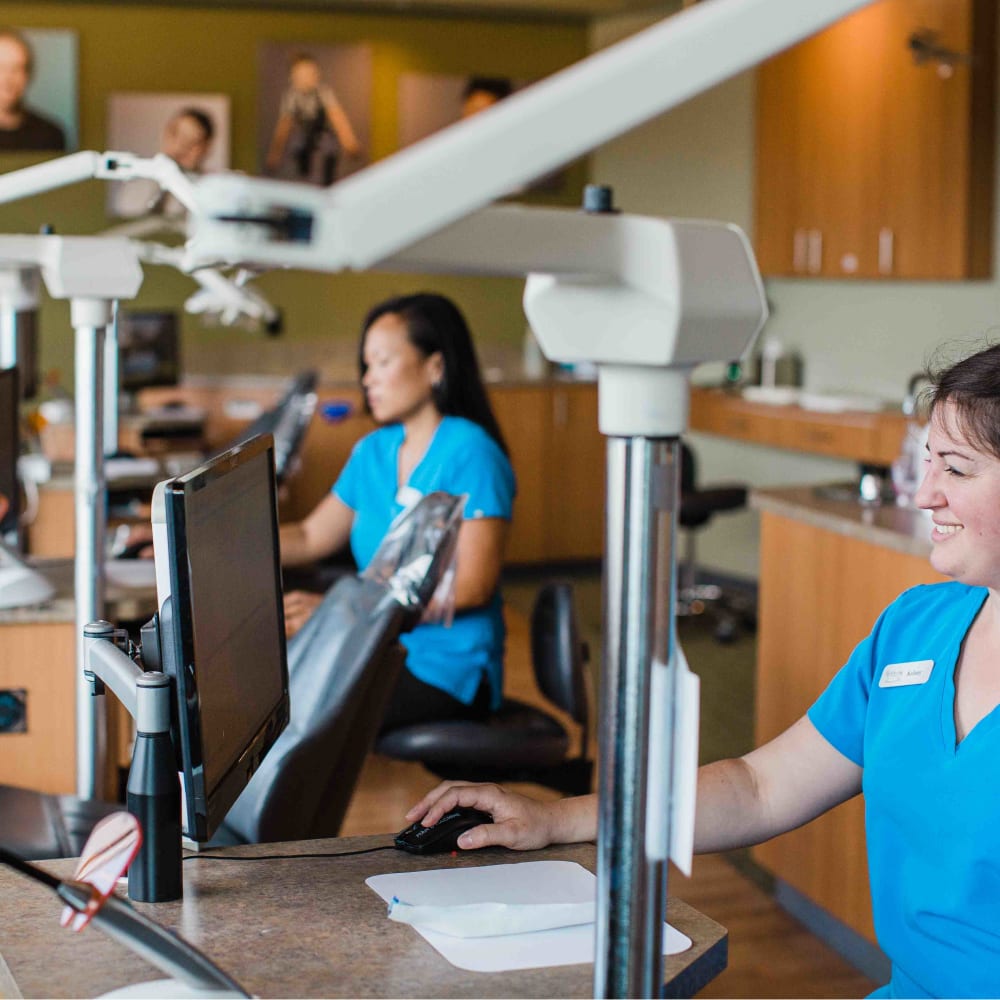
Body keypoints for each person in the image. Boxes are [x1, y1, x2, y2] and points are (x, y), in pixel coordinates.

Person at [407, 340, 1000, 999]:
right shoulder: (918, 627)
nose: (923, 496)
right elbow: (760, 786)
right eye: (926, 465)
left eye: (956, 469)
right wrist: (555, 818)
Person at [280, 292, 515, 732]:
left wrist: (345, 614)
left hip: (447, 668)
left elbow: (474, 586)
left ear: (435, 367)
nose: (369, 379)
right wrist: (206, 545)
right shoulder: (373, 451)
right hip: (377, 645)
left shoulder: (471, 453)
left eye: (383, 362)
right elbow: (311, 537)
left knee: (296, 709)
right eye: (366, 366)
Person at [265, 53, 361, 186]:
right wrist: (275, 154)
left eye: (310, 74)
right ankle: (303, 181)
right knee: (298, 148)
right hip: (303, 135)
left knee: (330, 147)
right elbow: (284, 125)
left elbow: (337, 116)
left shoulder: (323, 92)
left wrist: (348, 141)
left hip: (321, 132)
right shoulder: (292, 96)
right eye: (302, 75)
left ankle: (327, 185)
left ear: (317, 75)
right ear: (293, 77)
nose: (306, 79)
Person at [113, 107, 215, 219]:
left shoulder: (211, 192)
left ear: (207, 147)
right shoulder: (135, 183)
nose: (181, 146)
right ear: (164, 134)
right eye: (176, 134)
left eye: (193, 141)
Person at [0, 28, 65, 152]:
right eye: (1, 68)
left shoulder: (50, 134)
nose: (7, 79)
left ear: (28, 75)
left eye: (17, 69)